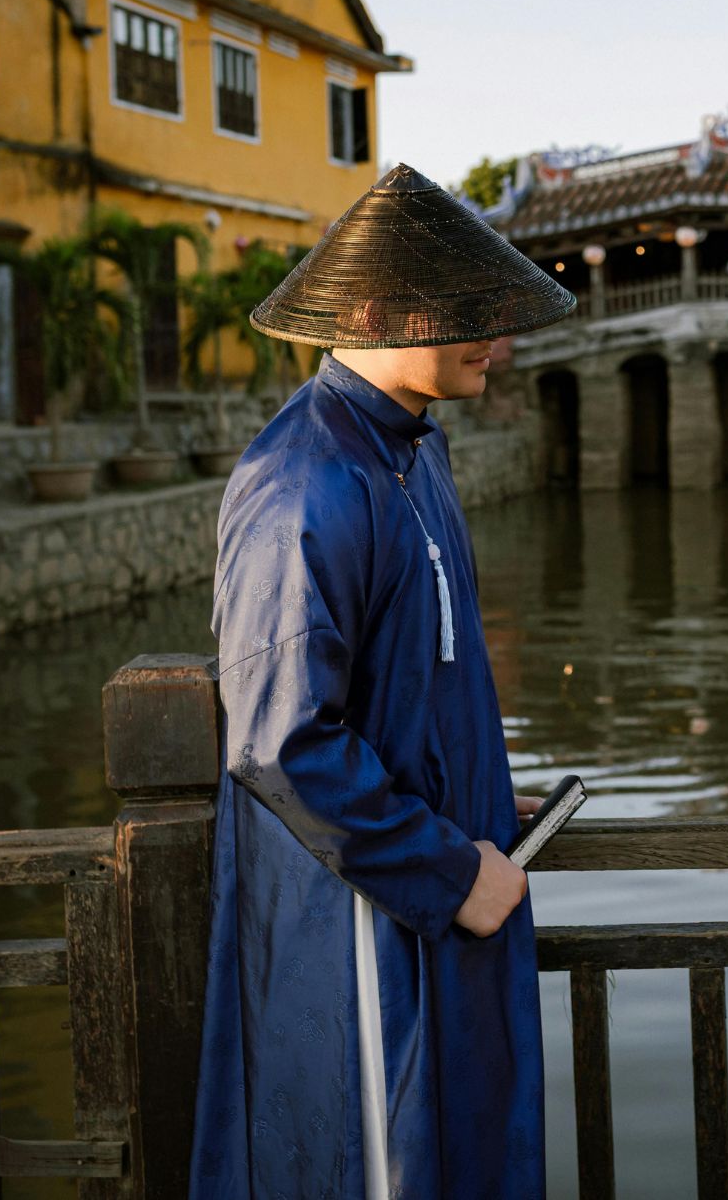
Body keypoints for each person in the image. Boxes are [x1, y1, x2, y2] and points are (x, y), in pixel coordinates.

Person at [188, 165, 574, 1198]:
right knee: (382, 1157)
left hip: (429, 875)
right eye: (469, 311)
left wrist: (482, 795)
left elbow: (415, 682)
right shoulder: (304, 481)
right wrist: (449, 869)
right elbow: (282, 741)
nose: (495, 332)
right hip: (363, 917)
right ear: (371, 312)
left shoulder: (414, 453)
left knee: (460, 1146)